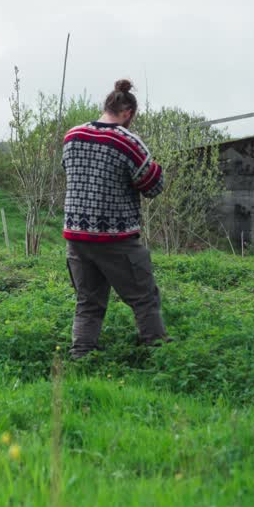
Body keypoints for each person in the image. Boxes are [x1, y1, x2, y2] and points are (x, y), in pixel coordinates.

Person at [61, 78, 168, 358]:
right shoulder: (128, 142)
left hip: (76, 237)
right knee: (144, 297)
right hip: (115, 238)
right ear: (128, 113)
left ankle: (81, 355)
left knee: (88, 302)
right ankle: (158, 353)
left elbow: (72, 173)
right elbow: (153, 186)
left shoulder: (72, 136)